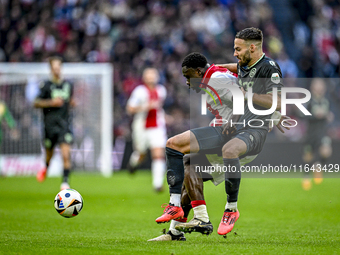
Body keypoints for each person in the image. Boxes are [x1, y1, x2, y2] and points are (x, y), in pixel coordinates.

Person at [155, 27, 284, 238]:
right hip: (232, 128)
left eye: (237, 49)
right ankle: (179, 229)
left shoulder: (267, 68)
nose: (234, 53)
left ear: (252, 47)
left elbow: (270, 101)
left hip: (244, 132)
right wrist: (212, 68)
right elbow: (235, 70)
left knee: (178, 147)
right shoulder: (240, 66)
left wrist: (265, 113)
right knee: (190, 166)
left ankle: (228, 208)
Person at [34, 56, 75, 190]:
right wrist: (51, 103)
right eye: (54, 68)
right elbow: (36, 102)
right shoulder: (45, 85)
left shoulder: (68, 85)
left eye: (59, 67)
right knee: (49, 154)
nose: (57, 70)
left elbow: (70, 100)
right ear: (51, 69)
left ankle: (65, 182)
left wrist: (72, 103)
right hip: (49, 125)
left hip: (64, 124)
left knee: (65, 153)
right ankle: (45, 167)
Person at [126, 68, 167, 192]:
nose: (151, 78)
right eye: (149, 76)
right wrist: (146, 107)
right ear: (144, 78)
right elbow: (130, 109)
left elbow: (159, 109)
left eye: (153, 75)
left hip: (157, 127)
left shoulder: (161, 91)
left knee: (158, 153)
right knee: (141, 153)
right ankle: (133, 164)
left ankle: (157, 184)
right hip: (141, 127)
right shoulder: (139, 92)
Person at [302, 78, 333, 190]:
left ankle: (318, 166)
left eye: (321, 85)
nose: (319, 87)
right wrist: (316, 115)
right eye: (317, 85)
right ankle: (306, 177)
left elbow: (329, 114)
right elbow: (303, 115)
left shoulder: (326, 100)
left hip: (322, 132)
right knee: (308, 157)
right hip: (311, 133)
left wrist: (329, 116)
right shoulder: (309, 101)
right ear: (313, 87)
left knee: (326, 151)